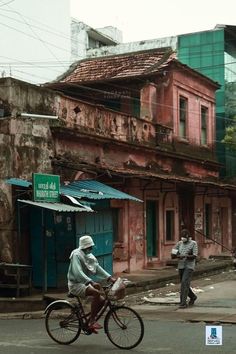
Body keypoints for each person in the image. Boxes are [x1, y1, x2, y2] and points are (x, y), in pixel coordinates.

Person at [67, 235, 116, 332]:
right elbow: (78, 273)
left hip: (84, 283)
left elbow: (97, 268)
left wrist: (110, 278)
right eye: (89, 247)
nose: (91, 248)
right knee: (96, 293)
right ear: (84, 246)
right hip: (75, 284)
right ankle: (92, 321)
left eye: (91, 246)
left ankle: (90, 320)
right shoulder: (76, 255)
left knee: (102, 300)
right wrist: (91, 282)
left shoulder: (89, 255)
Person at [171, 229, 198, 309]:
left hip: (189, 266)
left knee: (184, 282)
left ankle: (183, 303)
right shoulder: (179, 243)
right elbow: (173, 253)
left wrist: (185, 256)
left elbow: (194, 256)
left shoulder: (193, 243)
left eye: (184, 237)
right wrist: (175, 254)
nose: (183, 238)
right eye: (182, 237)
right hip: (181, 266)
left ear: (188, 237)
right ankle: (193, 297)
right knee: (184, 284)